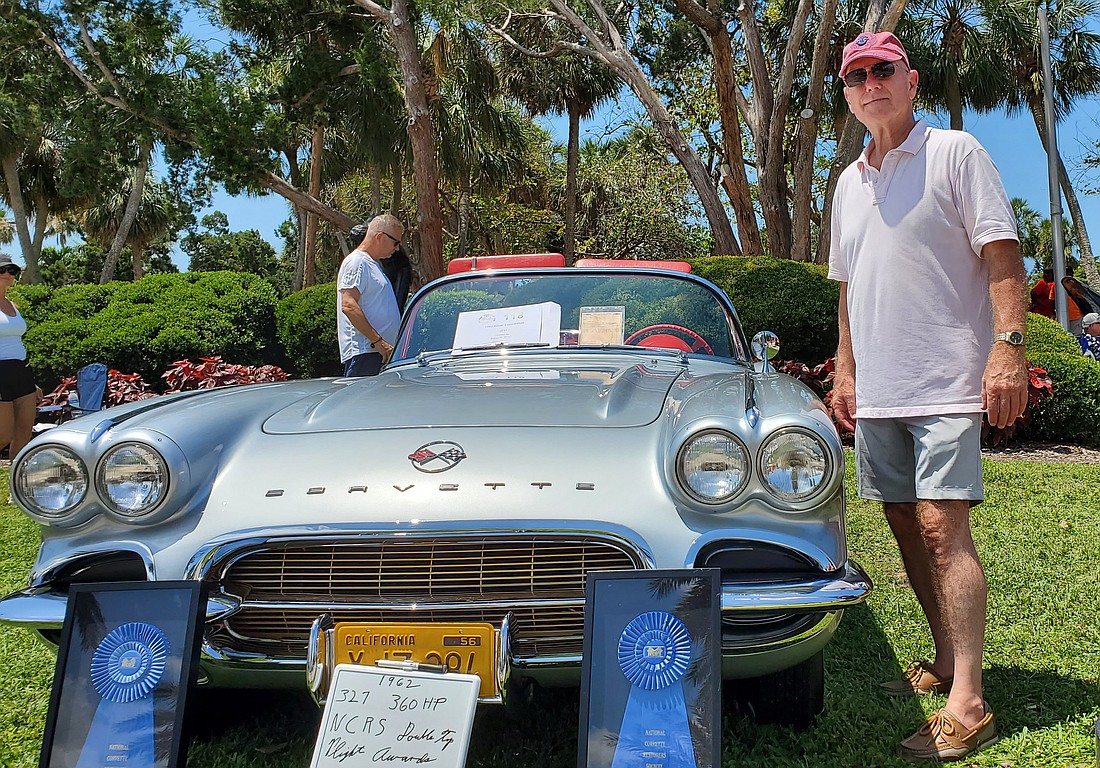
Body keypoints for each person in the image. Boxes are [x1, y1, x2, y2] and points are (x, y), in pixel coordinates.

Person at [828, 31, 1028, 762]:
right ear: (847, 95)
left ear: (910, 81)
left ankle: (969, 701)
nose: (870, 83)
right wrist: (846, 374)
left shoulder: (955, 153)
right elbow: (848, 288)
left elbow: (1002, 254)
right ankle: (945, 661)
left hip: (947, 380)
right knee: (907, 526)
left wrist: (1007, 351)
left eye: (883, 70)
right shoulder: (849, 182)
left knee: (945, 529)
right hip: (880, 391)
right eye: (856, 75)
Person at [337, 215, 404, 377]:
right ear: (380, 237)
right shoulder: (357, 262)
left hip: (378, 354)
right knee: (363, 402)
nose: (396, 248)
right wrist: (378, 342)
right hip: (367, 354)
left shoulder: (371, 264)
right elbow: (348, 305)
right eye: (396, 243)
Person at [0, 255, 39, 456]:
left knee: (23, 433)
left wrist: (33, 383)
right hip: (1, 371)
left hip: (21, 371)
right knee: (4, 434)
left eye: (11, 270)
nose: (7, 274)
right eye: (2, 270)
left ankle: (16, 484)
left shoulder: (13, 305)